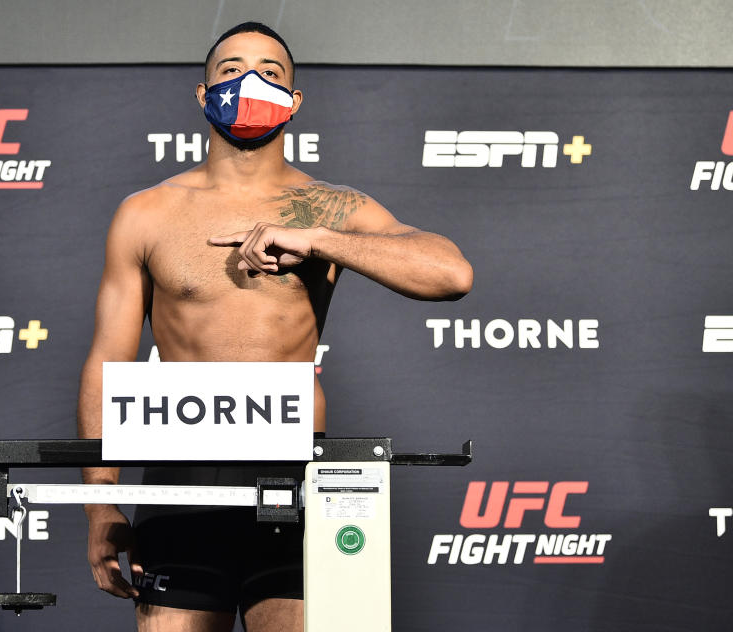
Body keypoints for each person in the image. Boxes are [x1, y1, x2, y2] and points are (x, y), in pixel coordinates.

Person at [77, 21, 473, 632]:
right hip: (182, 481)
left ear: (295, 100)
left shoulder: (332, 207)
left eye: (271, 72)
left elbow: (450, 273)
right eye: (231, 70)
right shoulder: (146, 213)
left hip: (300, 476)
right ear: (202, 91)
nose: (250, 81)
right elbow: (109, 361)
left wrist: (319, 240)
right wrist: (99, 500)